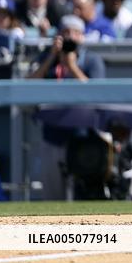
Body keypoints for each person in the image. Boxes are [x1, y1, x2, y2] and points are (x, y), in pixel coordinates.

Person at [27, 16, 106, 200]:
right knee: (52, 197)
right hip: (52, 136)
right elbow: (29, 86)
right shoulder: (48, 57)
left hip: (84, 137)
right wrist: (51, 57)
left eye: (76, 33)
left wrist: (72, 66)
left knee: (83, 197)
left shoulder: (92, 60)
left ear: (83, 37)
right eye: (66, 32)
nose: (70, 37)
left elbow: (97, 93)